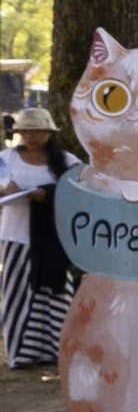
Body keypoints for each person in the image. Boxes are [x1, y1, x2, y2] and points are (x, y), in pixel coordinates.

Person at [1, 107, 78, 367]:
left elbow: (80, 190)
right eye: (25, 130)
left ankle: (55, 350)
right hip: (16, 237)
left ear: (49, 132)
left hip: (54, 240)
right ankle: (21, 354)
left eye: (36, 130)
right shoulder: (6, 159)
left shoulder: (66, 161)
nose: (30, 136)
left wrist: (46, 195)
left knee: (57, 292)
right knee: (17, 294)